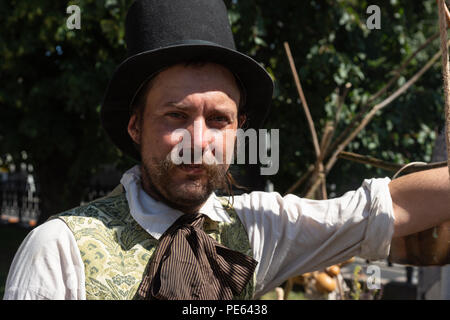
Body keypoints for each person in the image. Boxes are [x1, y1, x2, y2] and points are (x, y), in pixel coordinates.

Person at [4, 0, 450, 300]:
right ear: (136, 126)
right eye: (176, 116)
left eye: (219, 120)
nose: (199, 141)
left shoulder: (259, 228)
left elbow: (380, 208)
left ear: (239, 130)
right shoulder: (58, 249)